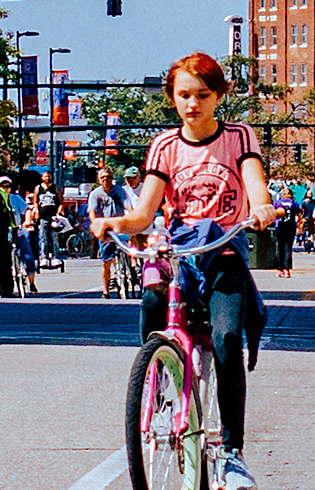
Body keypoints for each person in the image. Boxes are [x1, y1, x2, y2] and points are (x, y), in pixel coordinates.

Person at [92, 51, 277, 490]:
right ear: (172, 99)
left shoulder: (239, 137)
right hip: (180, 249)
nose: (192, 104)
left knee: (228, 336)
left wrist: (264, 205)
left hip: (223, 248)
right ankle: (154, 376)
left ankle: (232, 453)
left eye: (202, 95)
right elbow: (143, 213)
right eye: (184, 95)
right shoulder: (164, 146)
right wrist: (116, 223)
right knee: (154, 293)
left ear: (218, 97)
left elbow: (255, 184)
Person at [86, 166, 130, 295]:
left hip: (119, 226)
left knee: (129, 248)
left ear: (112, 178)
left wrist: (132, 219)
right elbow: (92, 212)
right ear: (99, 180)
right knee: (106, 262)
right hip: (105, 229)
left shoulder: (119, 191)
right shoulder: (95, 194)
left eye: (108, 177)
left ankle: (131, 269)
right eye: (103, 177)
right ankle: (106, 290)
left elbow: (128, 206)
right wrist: (95, 225)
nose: (106, 180)